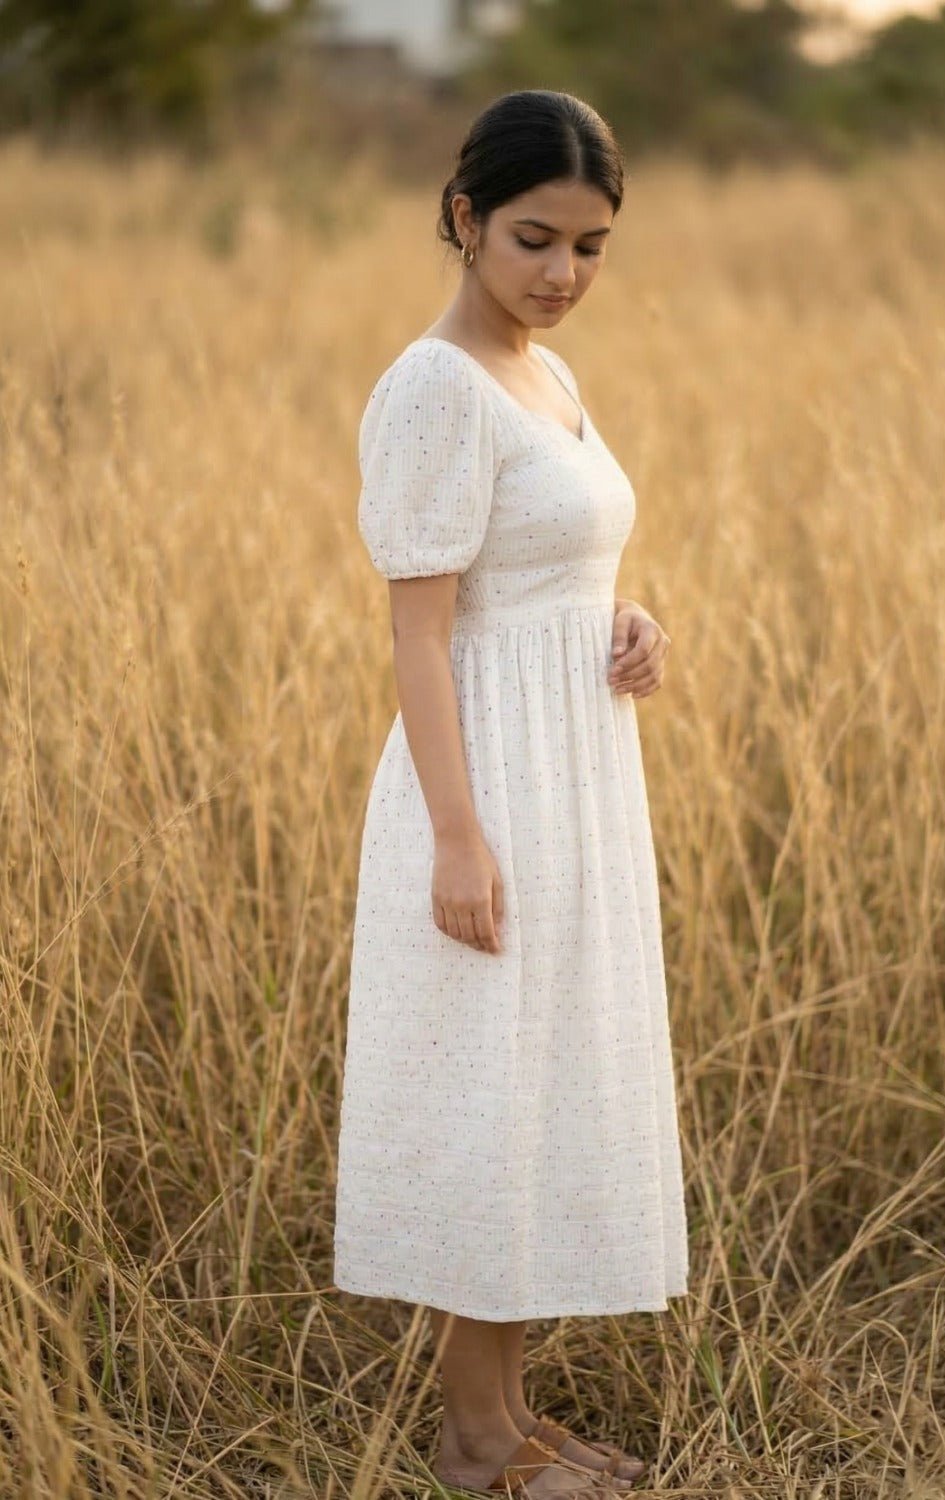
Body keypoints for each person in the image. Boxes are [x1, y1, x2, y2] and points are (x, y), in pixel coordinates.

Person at [332, 89, 688, 1499]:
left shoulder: (544, 369)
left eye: (593, 247)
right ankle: (474, 1441)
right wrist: (460, 840)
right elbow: (421, 629)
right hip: (485, 781)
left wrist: (628, 618)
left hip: (578, 763)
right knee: (487, 1094)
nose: (564, 274)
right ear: (467, 217)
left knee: (535, 1086)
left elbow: (543, 559)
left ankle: (513, 1415)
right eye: (536, 239)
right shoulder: (433, 385)